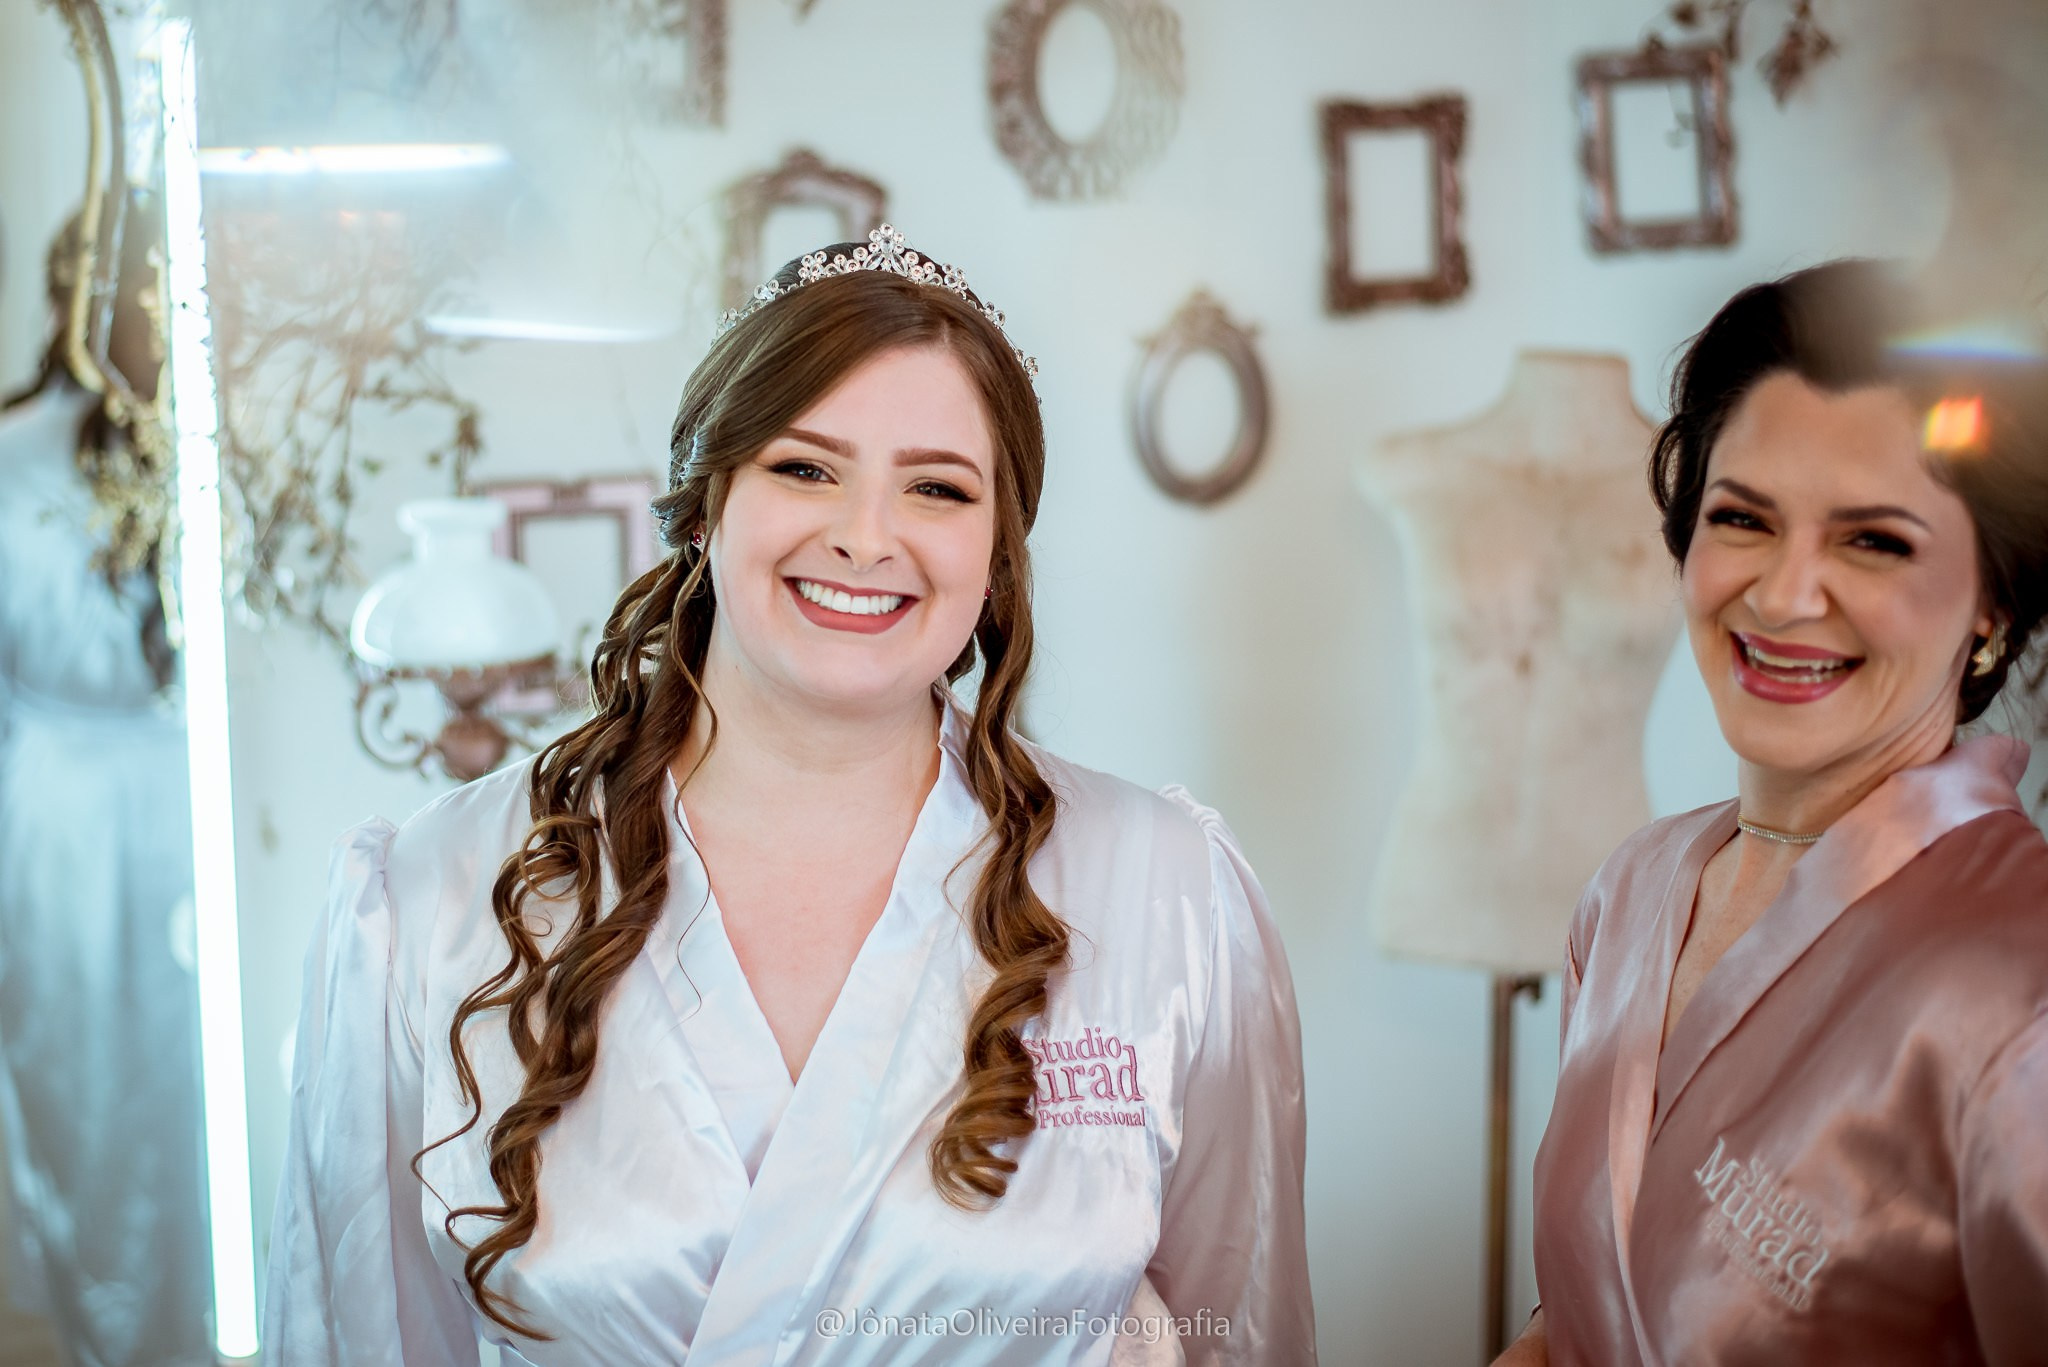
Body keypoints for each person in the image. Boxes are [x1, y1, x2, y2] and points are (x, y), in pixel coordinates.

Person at [264, 226, 1315, 1366]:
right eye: (804, 467)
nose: (866, 536)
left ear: (996, 546)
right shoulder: (429, 899)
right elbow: (355, 1331)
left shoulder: (1165, 893)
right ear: (707, 500)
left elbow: (1238, 1329)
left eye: (936, 487)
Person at [1498, 260, 2048, 1366]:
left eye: (1872, 540)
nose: (1785, 593)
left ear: (1988, 596)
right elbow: (1577, 1313)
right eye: (1742, 517)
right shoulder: (1631, 889)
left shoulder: (2018, 980)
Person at [0, 199, 212, 1367]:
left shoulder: (219, 444)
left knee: (195, 1083)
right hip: (61, 822)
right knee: (85, 1083)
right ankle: (111, 1332)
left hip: (194, 792)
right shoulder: (11, 455)